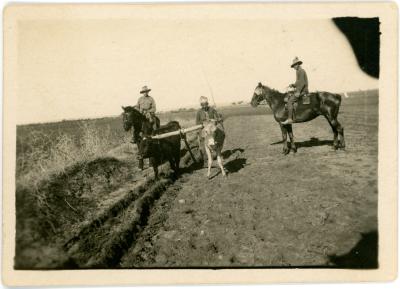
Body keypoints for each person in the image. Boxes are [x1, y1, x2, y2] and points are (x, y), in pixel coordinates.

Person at [195, 96, 223, 167]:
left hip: (212, 129)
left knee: (218, 139)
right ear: (201, 105)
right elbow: (197, 123)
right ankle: (205, 160)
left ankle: (218, 155)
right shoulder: (199, 112)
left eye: (205, 104)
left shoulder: (212, 109)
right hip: (204, 130)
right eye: (203, 105)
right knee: (203, 145)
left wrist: (216, 119)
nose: (204, 106)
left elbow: (218, 118)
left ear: (207, 103)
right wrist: (201, 126)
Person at [281, 57, 309, 125]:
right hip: (301, 89)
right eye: (293, 66)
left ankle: (290, 119)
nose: (294, 67)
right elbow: (298, 82)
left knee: (290, 101)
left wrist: (298, 91)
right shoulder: (298, 71)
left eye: (294, 65)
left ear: (298, 64)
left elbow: (302, 82)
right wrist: (293, 85)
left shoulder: (301, 71)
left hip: (303, 91)